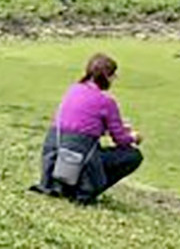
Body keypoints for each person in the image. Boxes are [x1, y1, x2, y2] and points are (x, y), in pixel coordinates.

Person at [30, 53, 143, 204]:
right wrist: (134, 137)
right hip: (80, 155)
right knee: (133, 156)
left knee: (82, 146)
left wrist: (113, 128)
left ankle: (61, 186)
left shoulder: (73, 90)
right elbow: (120, 140)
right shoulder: (106, 102)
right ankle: (86, 191)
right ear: (107, 76)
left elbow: (80, 126)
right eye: (113, 75)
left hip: (54, 157)